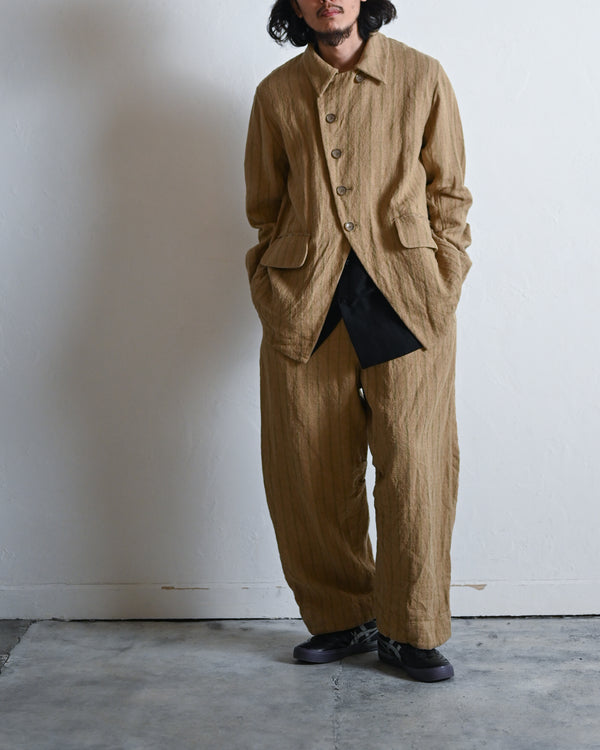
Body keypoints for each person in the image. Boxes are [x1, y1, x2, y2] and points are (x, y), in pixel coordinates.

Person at [244, 0, 473, 682]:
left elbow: (450, 194)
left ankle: (412, 628)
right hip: (306, 307)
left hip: (407, 301)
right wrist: (271, 285)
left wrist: (444, 275)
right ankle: (344, 617)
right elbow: (265, 208)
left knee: (417, 471)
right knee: (307, 470)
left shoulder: (422, 76)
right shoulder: (276, 93)